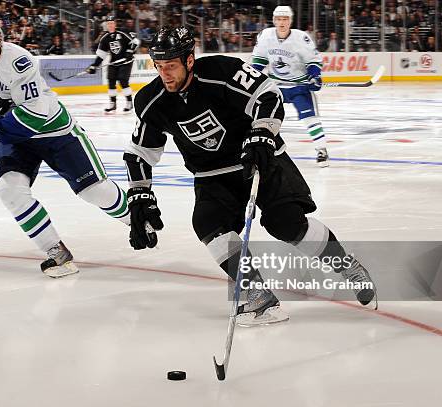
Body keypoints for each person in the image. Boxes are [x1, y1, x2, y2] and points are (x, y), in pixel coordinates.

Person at [123, 26, 375, 327]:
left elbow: (268, 96)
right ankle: (258, 294)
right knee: (207, 223)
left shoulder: (223, 71)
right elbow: (140, 152)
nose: (165, 75)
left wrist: (261, 133)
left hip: (259, 158)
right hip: (212, 174)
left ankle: (345, 265)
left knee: (286, 224)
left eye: (172, 66)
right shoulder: (152, 100)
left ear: (190, 60)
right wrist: (139, 193)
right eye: (160, 67)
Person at [0, 12, 130, 277]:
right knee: (10, 192)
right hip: (11, 136)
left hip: (52, 131)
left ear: (0, 35)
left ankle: (137, 218)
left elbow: (33, 115)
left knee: (95, 192)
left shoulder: (18, 61)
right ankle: (56, 252)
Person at [251, 6, 330, 167]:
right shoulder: (265, 36)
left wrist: (314, 76)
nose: (282, 22)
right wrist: (252, 78)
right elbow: (259, 61)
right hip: (275, 86)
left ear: (290, 21)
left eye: (285, 19)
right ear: (273, 20)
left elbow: (313, 61)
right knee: (264, 118)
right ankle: (263, 151)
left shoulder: (301, 38)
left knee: (310, 118)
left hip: (298, 86)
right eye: (279, 19)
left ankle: (321, 149)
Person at [87, 16, 140, 113]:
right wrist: (94, 65)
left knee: (123, 80)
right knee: (111, 81)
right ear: (106, 25)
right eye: (108, 24)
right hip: (114, 62)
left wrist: (129, 52)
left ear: (115, 24)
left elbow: (135, 42)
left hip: (126, 61)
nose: (110, 25)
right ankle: (113, 103)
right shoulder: (105, 38)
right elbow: (101, 55)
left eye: (112, 23)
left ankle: (129, 102)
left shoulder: (122, 32)